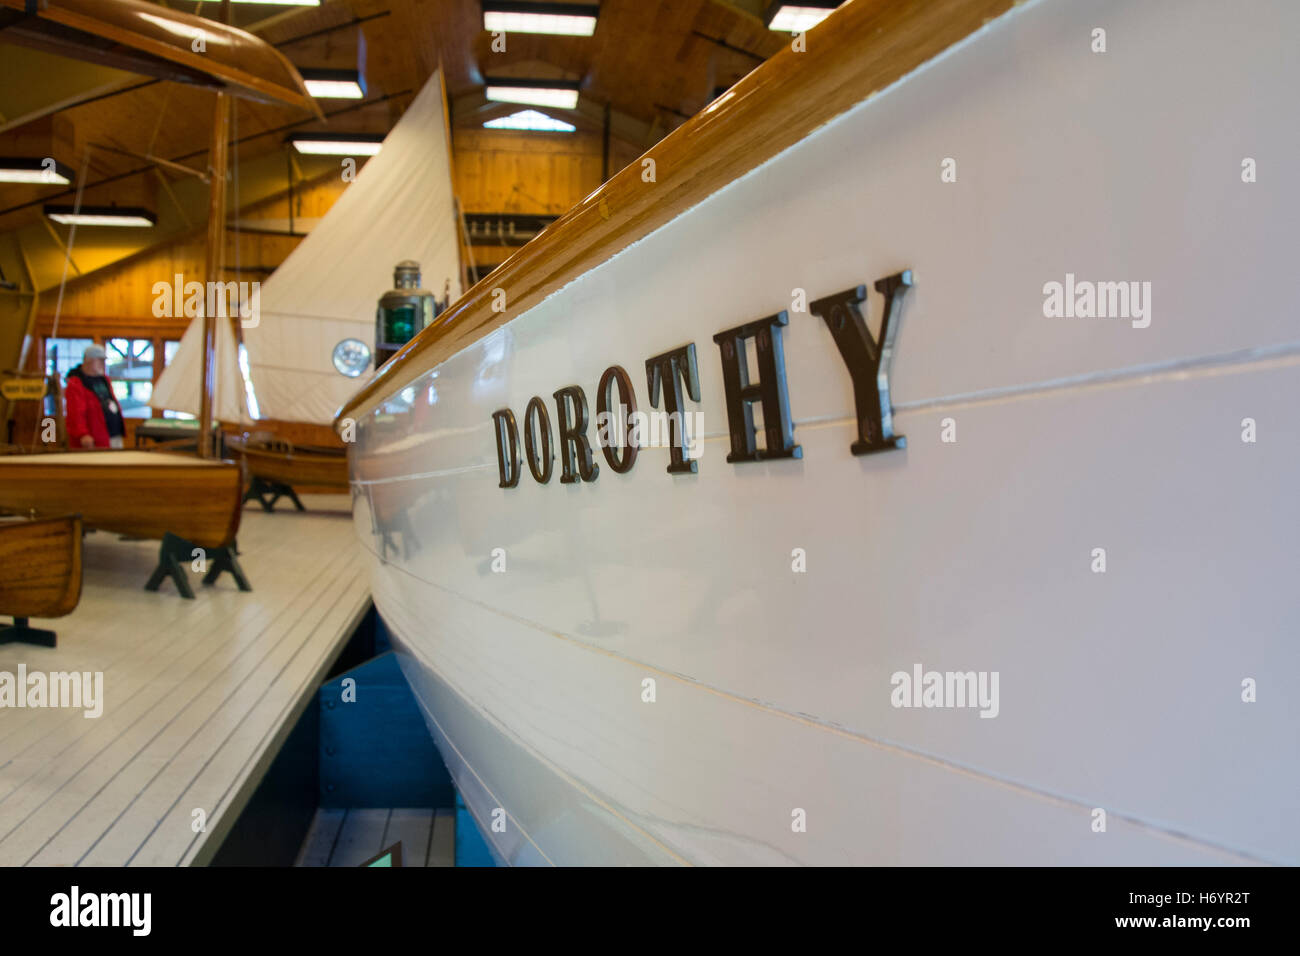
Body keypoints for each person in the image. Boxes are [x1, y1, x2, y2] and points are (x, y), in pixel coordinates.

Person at [65, 344, 126, 449]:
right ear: (88, 360)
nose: (103, 364)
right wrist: (83, 434)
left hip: (113, 434)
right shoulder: (76, 383)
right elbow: (76, 412)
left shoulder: (104, 379)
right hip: (94, 438)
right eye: (100, 360)